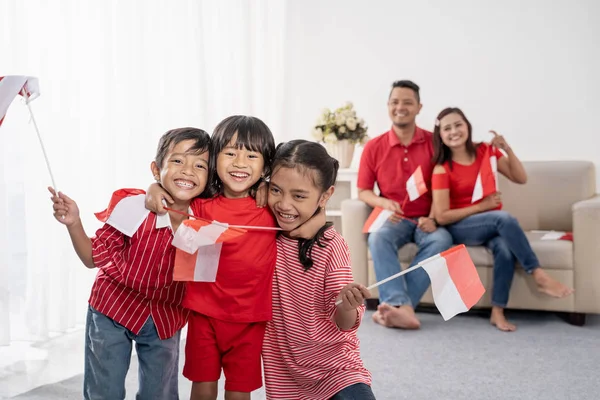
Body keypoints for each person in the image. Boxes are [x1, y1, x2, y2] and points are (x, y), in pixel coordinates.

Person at [145, 116, 324, 400]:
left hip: (250, 320)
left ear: (265, 166)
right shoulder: (200, 203)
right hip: (203, 314)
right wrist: (153, 188)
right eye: (230, 153)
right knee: (202, 385)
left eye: (251, 155)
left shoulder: (270, 206)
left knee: (239, 390)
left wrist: (277, 192)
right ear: (215, 159)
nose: (240, 163)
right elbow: (170, 192)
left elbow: (310, 216)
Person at [49, 127, 211, 399]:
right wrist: (74, 222)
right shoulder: (134, 206)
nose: (188, 171)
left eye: (199, 165)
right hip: (112, 308)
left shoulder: (208, 221)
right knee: (105, 391)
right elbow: (92, 258)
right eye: (177, 161)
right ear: (157, 170)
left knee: (159, 394)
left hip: (165, 318)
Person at [430, 107, 574, 331]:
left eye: (458, 124)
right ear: (440, 136)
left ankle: (498, 311)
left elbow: (520, 177)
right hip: (460, 226)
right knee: (503, 218)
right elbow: (441, 216)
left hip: (490, 222)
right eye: (447, 129)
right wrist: (482, 206)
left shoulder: (485, 152)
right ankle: (538, 274)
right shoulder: (442, 169)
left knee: (505, 249)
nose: (454, 131)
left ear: (467, 126)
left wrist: (507, 149)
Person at [263, 139, 375, 400]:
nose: (284, 204)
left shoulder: (331, 246)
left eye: (299, 196)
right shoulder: (264, 232)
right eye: (276, 190)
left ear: (325, 196)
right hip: (286, 381)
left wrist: (347, 305)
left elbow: (344, 323)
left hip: (338, 371)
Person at [357, 80, 453, 329]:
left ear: (419, 107)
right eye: (395, 102)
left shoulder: (436, 142)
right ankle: (401, 306)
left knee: (442, 240)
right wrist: (384, 203)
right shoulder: (373, 146)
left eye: (407, 102)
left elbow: (446, 184)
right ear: (388, 106)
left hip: (427, 219)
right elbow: (363, 191)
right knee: (378, 238)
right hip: (394, 219)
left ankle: (396, 308)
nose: (401, 107)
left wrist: (433, 217)